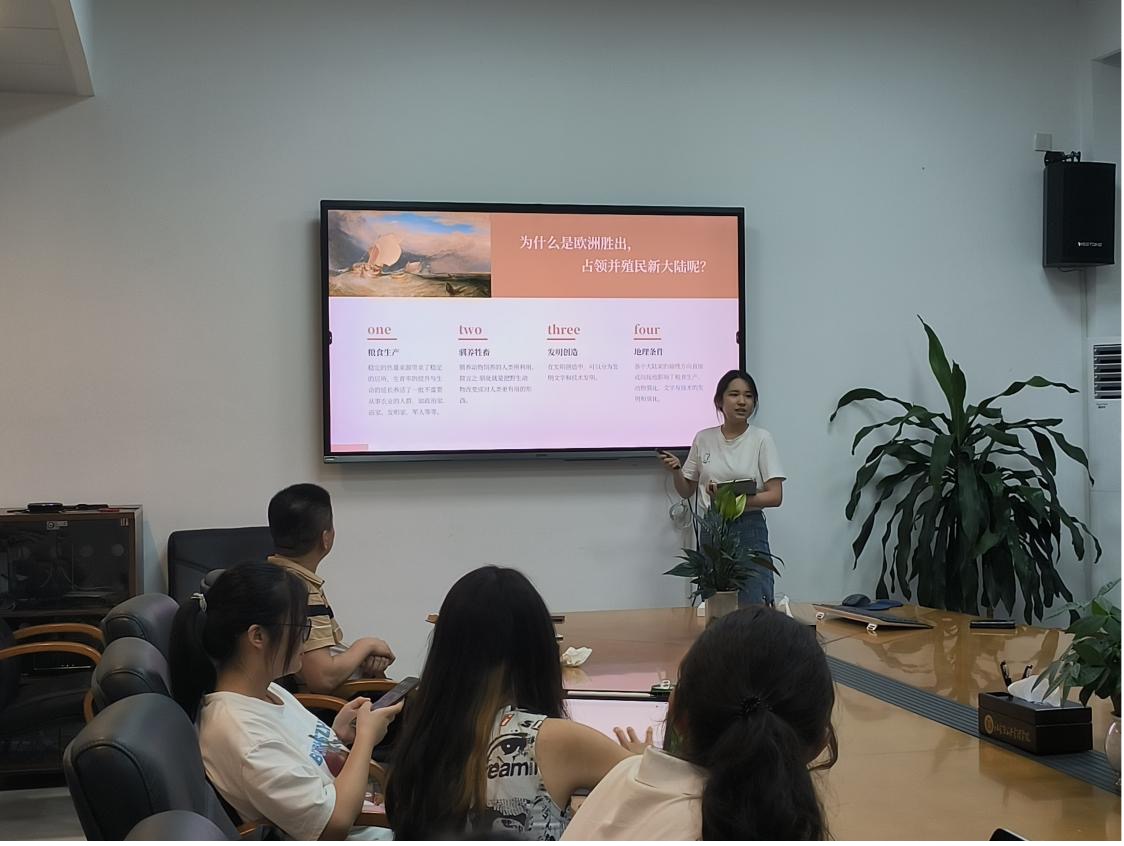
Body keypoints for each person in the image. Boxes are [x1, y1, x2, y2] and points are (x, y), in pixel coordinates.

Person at [384, 566, 640, 840]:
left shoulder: (421, 737)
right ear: (539, 651)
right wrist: (644, 759)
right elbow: (661, 790)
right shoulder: (553, 740)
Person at [168, 561, 403, 840]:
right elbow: (333, 825)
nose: (306, 640)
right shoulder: (245, 737)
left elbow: (300, 759)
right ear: (257, 636)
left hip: (374, 815)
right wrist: (365, 737)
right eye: (301, 627)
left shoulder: (266, 691)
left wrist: (339, 736)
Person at [562, 606, 837, 840]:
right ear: (819, 745)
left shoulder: (623, 778)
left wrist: (635, 763)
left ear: (677, 712)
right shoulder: (770, 825)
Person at [660, 369, 786, 605]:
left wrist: (731, 501)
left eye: (748, 396)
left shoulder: (761, 439)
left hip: (749, 527)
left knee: (753, 598)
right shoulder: (703, 438)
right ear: (719, 400)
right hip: (713, 527)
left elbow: (775, 496)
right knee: (717, 602)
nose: (742, 401)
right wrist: (677, 470)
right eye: (734, 394)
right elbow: (686, 490)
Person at [267, 483, 396, 693]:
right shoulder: (300, 592)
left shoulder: (274, 578)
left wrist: (361, 658)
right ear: (325, 538)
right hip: (330, 706)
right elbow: (322, 678)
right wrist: (367, 645)